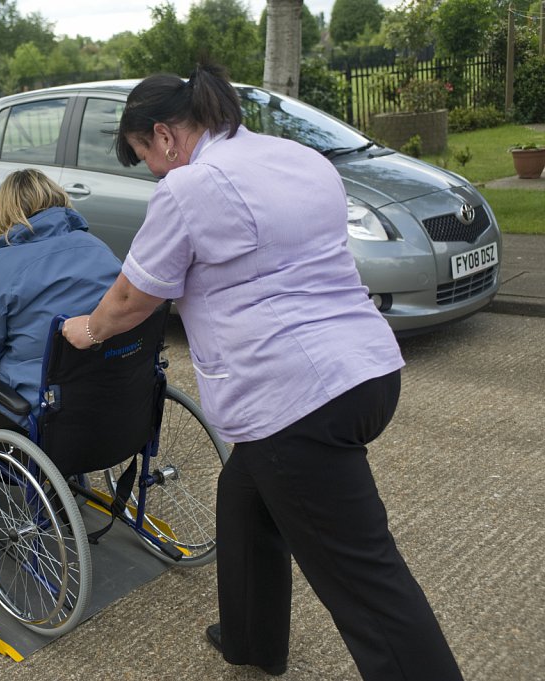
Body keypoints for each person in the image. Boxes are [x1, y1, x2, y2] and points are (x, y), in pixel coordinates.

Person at [61, 63, 464, 680]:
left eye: (145, 155)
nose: (153, 170)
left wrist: (85, 331)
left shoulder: (190, 187)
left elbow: (131, 300)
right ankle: (251, 638)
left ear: (164, 135)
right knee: (244, 497)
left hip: (296, 402)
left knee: (366, 583)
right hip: (367, 371)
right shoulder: (296, 158)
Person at [0, 168, 121, 412]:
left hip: (40, 404)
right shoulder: (99, 248)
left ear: (4, 212)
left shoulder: (3, 264)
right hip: (109, 391)